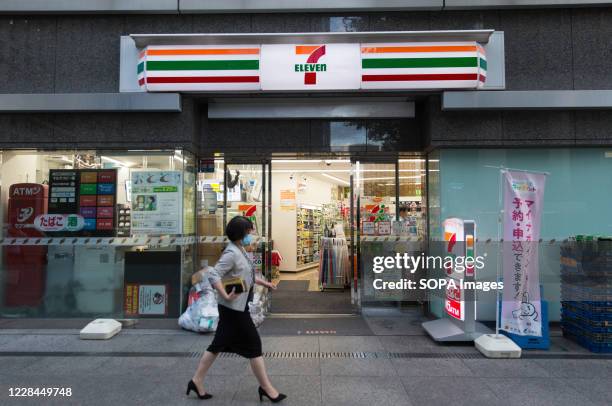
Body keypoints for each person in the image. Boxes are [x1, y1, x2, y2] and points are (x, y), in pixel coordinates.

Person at [187, 216, 287, 403]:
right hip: (233, 309)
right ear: (242, 233)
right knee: (254, 345)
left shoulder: (240, 249)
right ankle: (266, 388)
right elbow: (212, 273)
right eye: (249, 231)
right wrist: (224, 294)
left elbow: (246, 275)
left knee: (217, 345)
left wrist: (266, 283)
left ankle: (196, 380)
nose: (252, 234)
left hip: (236, 308)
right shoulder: (231, 253)